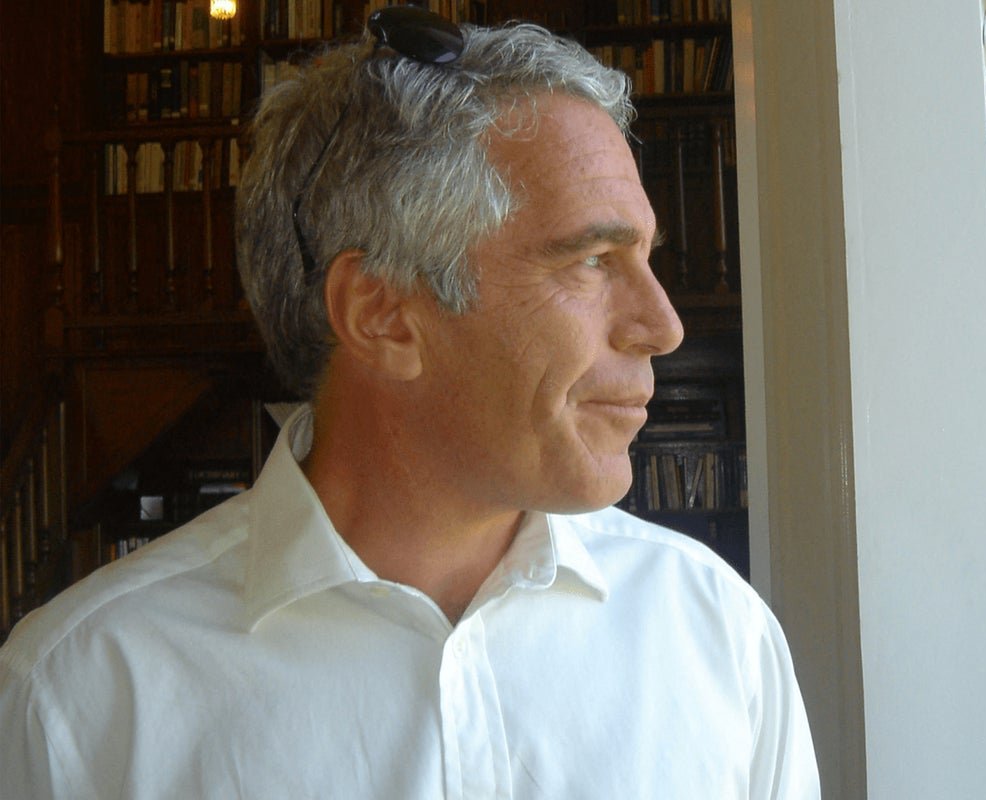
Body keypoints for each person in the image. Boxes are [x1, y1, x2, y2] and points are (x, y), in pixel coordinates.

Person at [1, 8, 820, 798]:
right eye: (595, 260)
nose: (664, 326)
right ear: (383, 315)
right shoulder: (80, 696)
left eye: (645, 257)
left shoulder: (714, 633)